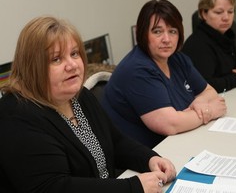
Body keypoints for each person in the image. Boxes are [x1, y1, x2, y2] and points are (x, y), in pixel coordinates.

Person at [0, 16, 176, 193]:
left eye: (74, 54)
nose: (72, 65)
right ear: (33, 67)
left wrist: (149, 159)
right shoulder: (17, 115)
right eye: (56, 59)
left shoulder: (79, 96)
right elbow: (53, 186)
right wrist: (133, 187)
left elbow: (116, 142)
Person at [101, 0, 227, 148]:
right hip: (144, 161)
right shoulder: (136, 70)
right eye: (157, 31)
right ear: (143, 34)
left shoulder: (177, 59)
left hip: (178, 144)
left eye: (173, 31)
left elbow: (209, 91)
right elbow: (170, 125)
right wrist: (210, 111)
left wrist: (199, 102)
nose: (166, 39)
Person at [181, 0, 236, 93]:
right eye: (219, 12)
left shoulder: (225, 36)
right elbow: (204, 85)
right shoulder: (198, 44)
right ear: (204, 14)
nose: (226, 18)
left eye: (230, 11)